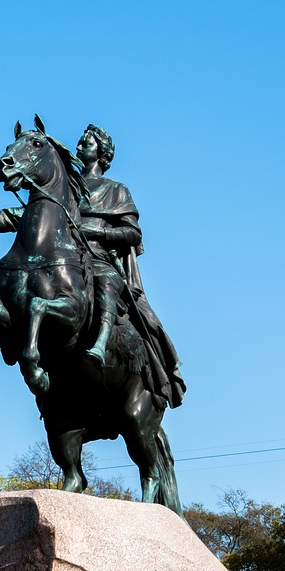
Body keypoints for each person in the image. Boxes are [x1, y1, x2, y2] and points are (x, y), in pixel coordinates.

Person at [74, 124, 184, 407]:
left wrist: (99, 233)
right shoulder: (68, 187)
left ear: (101, 152)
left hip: (100, 259)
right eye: (80, 142)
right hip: (68, 259)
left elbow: (133, 234)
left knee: (116, 291)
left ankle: (109, 345)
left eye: (86, 143)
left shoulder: (116, 190)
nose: (79, 147)